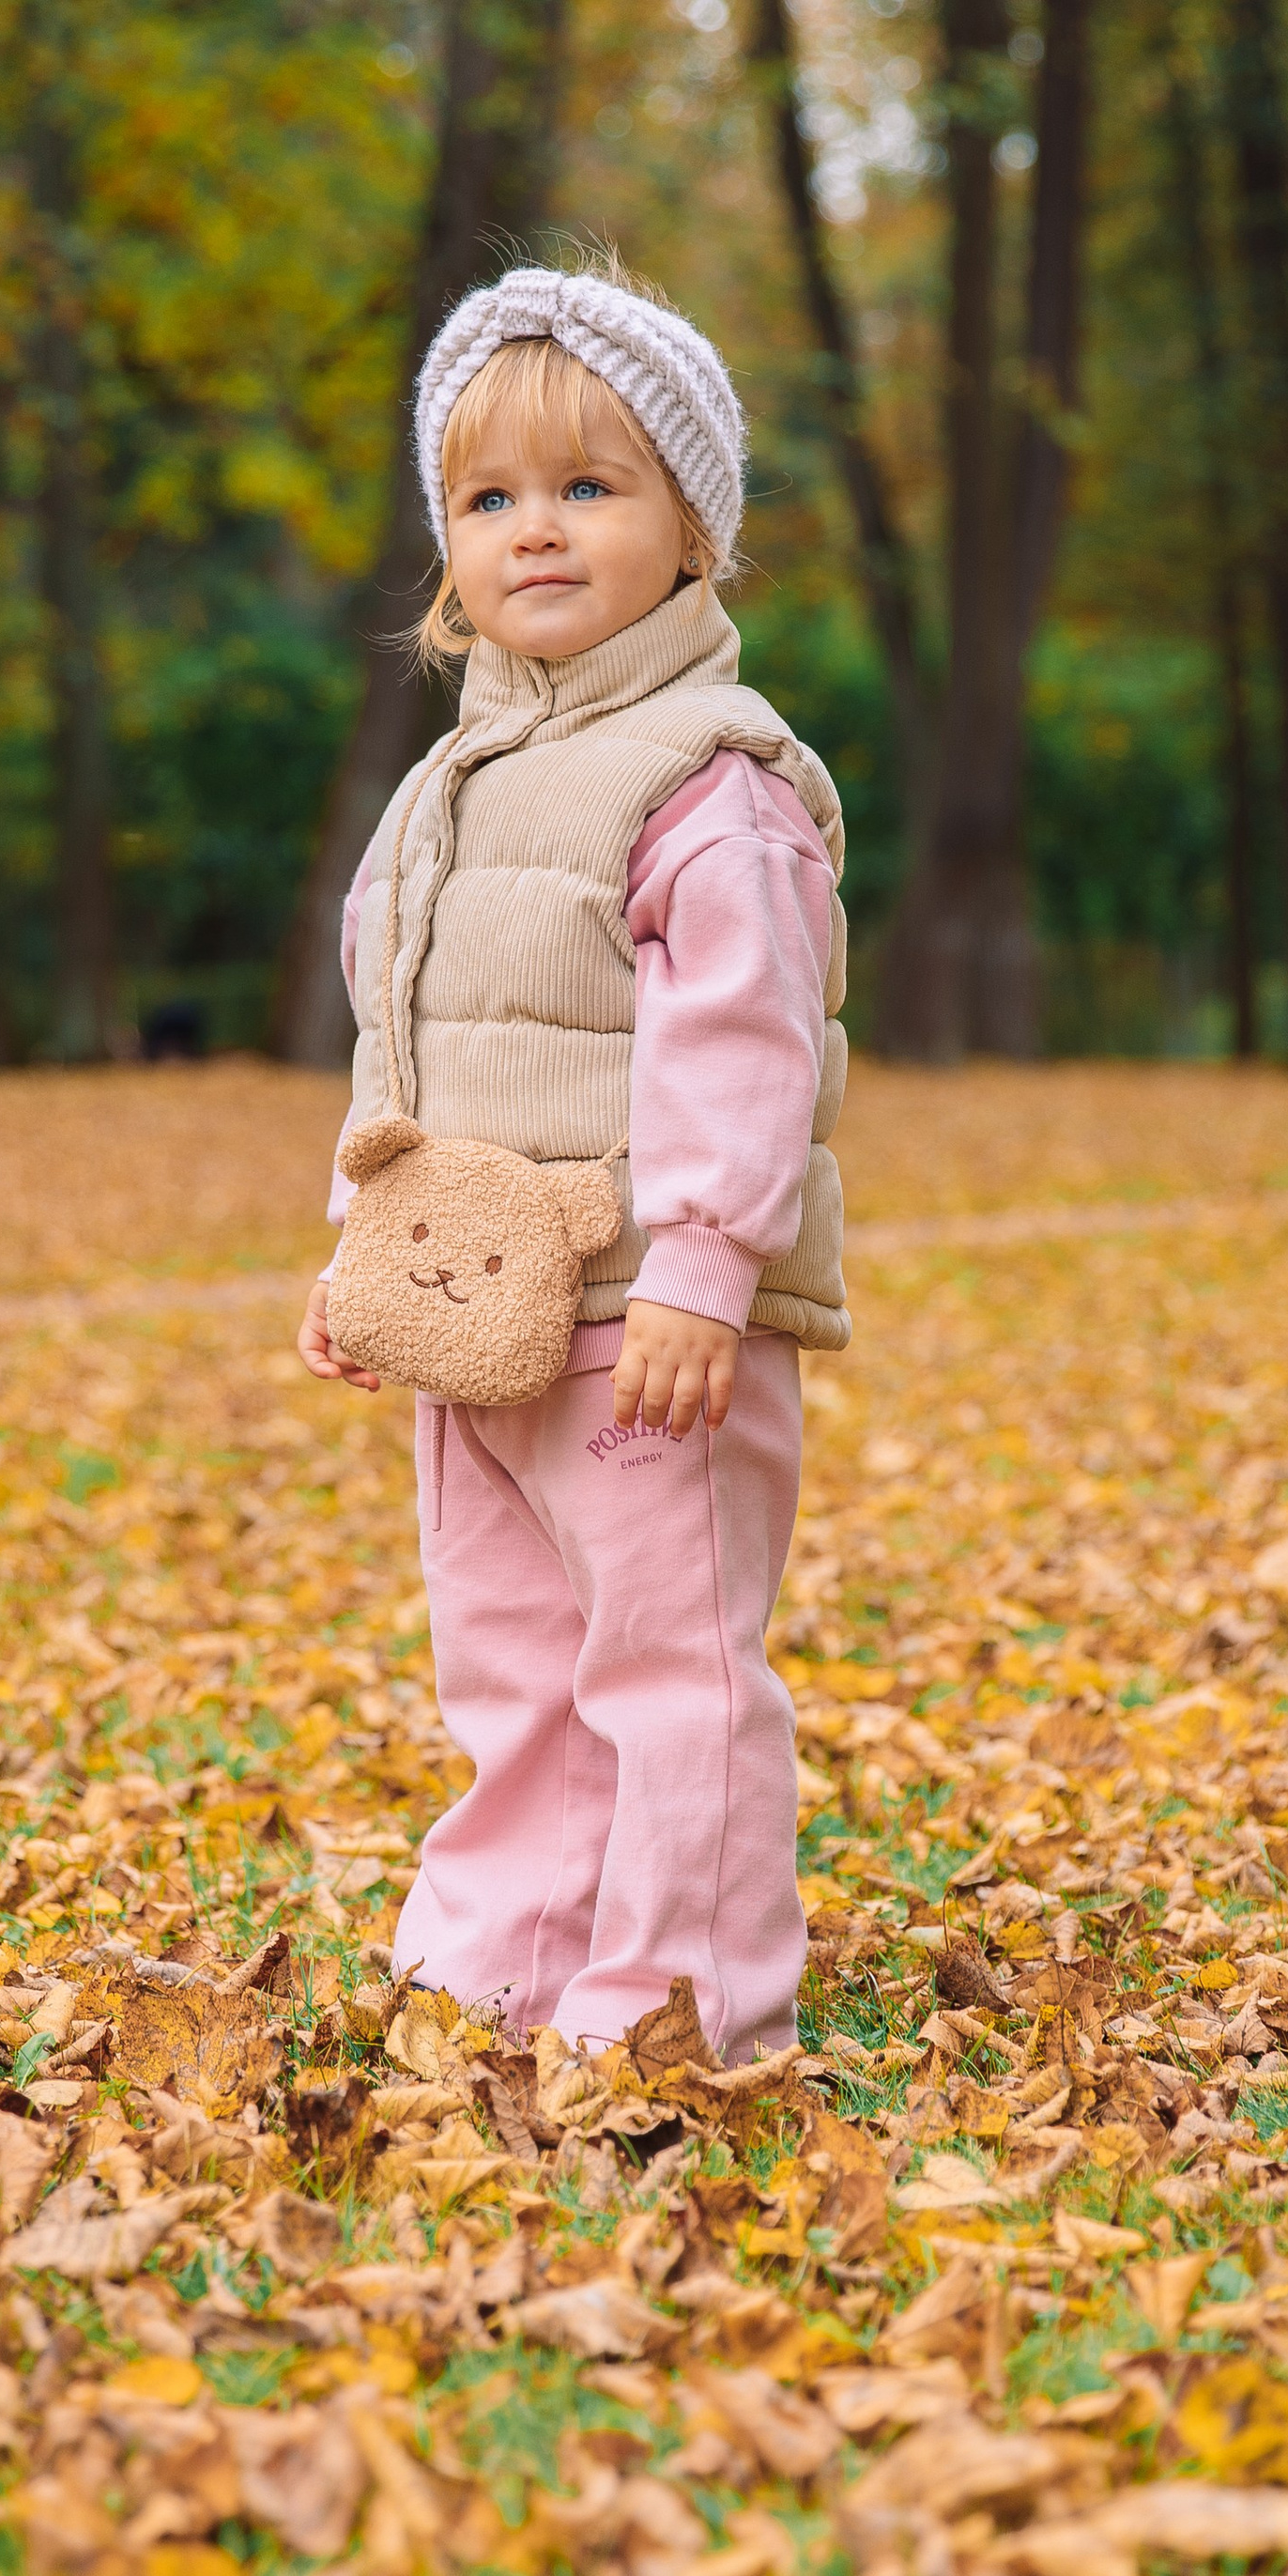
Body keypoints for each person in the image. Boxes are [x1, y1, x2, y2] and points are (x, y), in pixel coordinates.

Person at [296, 262, 851, 2061]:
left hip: (644, 1323)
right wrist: (359, 1253)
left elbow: (749, 1051)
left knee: (667, 1672)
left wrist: (705, 1267)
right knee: (514, 1667)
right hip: (471, 1312)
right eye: (490, 498)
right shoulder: (443, 788)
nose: (537, 531)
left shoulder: (715, 779)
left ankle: (680, 2006)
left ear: (694, 524)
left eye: (590, 487)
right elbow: (401, 1034)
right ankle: (499, 1966)